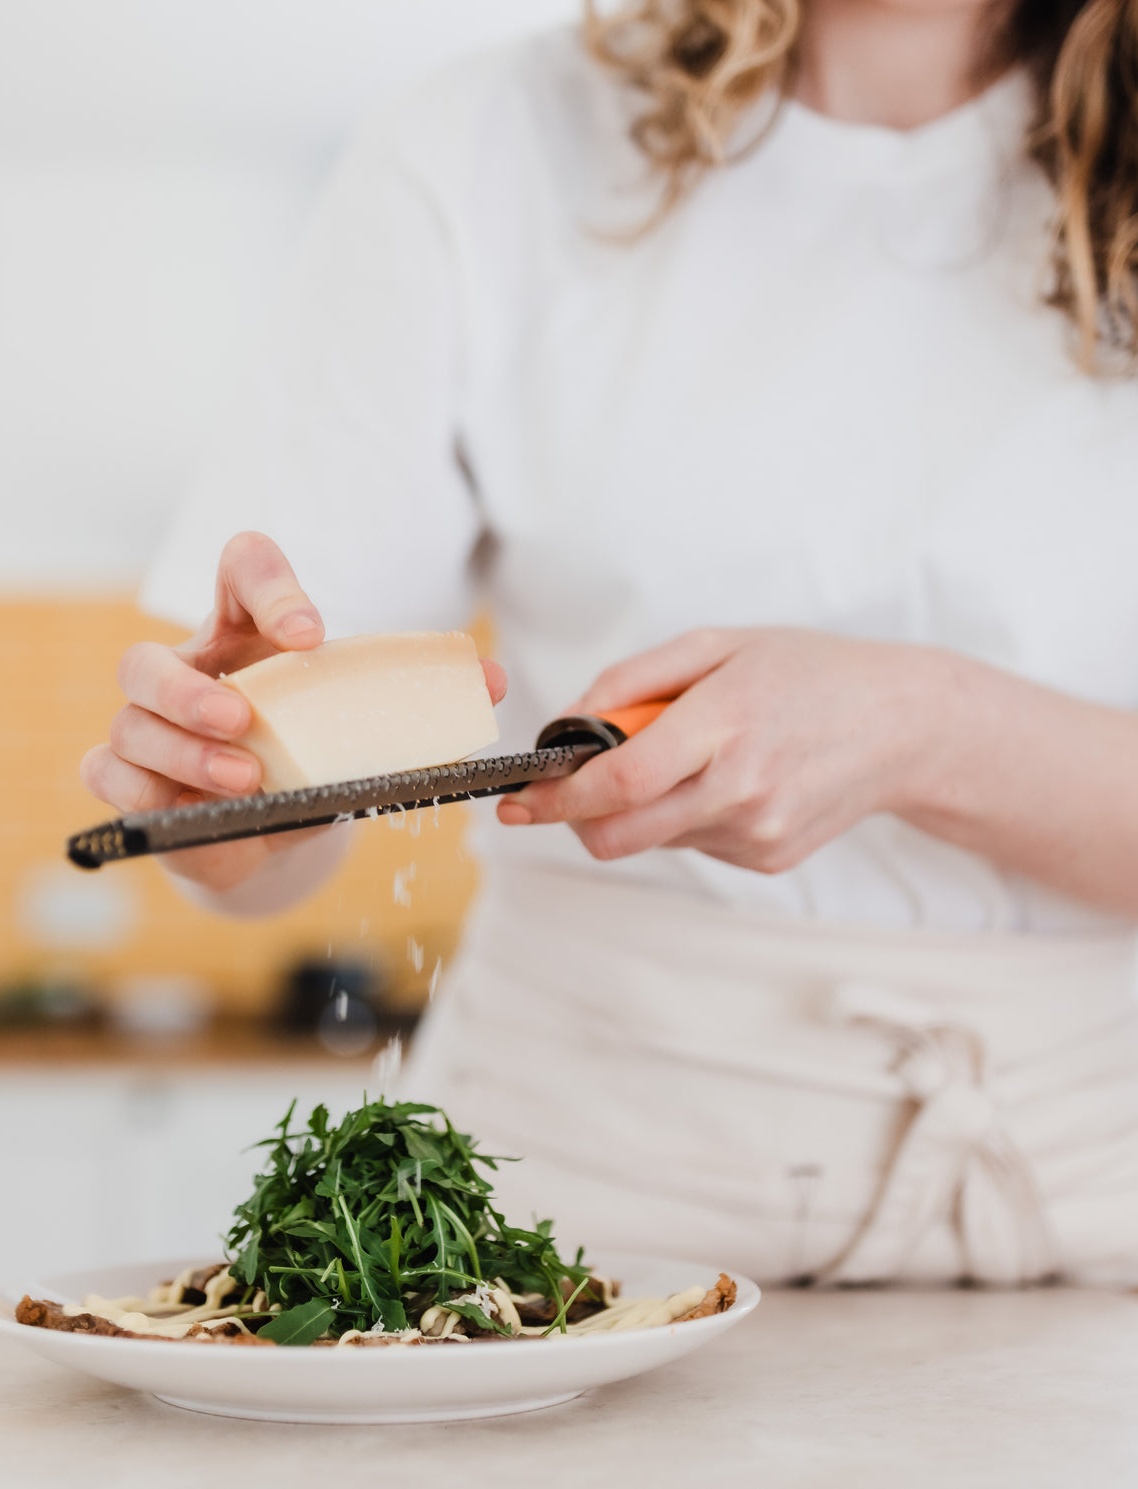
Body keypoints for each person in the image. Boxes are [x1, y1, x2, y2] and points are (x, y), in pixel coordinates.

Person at [83, 0, 1138, 1286]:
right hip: (578, 1236)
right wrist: (232, 779)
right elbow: (258, 843)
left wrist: (924, 729)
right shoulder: (479, 148)